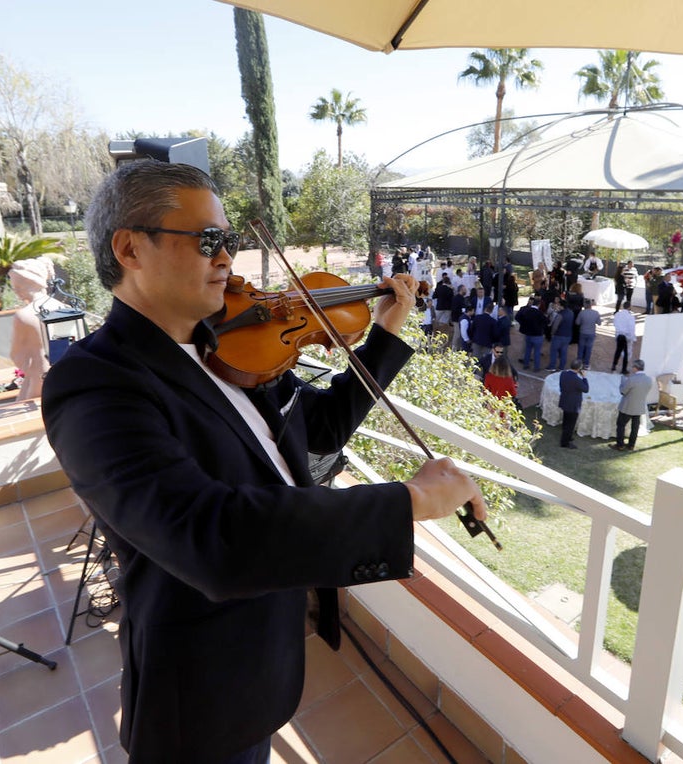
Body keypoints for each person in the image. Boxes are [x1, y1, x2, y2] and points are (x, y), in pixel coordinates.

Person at [40, 160, 485, 764]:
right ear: (130, 249)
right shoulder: (93, 384)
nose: (228, 260)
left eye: (229, 242)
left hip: (264, 661)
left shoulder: (226, 347)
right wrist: (408, 502)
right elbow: (211, 535)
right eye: (208, 241)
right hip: (200, 696)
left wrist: (387, 334)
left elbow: (318, 429)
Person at [8, 257, 64, 401]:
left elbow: (16, 354)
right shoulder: (63, 308)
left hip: (39, 372)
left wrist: (30, 366)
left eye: (16, 287)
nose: (16, 292)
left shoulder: (24, 315)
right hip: (64, 370)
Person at [611, 360, 655, 451]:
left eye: (632, 367)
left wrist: (623, 382)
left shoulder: (631, 379)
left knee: (621, 425)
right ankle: (631, 445)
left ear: (635, 367)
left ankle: (620, 445)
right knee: (635, 427)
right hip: (639, 407)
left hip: (627, 406)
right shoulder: (649, 380)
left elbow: (623, 391)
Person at [558, 360, 589, 448]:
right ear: (579, 369)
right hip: (573, 404)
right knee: (570, 424)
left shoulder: (563, 373)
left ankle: (567, 436)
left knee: (566, 421)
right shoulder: (577, 379)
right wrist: (584, 378)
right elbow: (586, 389)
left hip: (565, 400)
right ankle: (565, 442)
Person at [515, 296, 547, 372]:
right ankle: (536, 367)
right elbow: (546, 322)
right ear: (538, 304)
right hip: (537, 335)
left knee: (527, 350)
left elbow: (518, 317)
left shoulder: (526, 311)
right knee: (537, 352)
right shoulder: (540, 313)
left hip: (528, 334)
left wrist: (523, 325)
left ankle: (526, 365)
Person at [547, 299, 574, 371]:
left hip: (558, 336)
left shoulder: (560, 315)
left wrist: (552, 333)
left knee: (554, 351)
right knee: (564, 352)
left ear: (562, 306)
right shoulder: (571, 312)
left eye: (559, 305)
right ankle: (561, 367)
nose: (557, 306)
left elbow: (555, 326)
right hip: (568, 335)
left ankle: (552, 366)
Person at [575, 298, 601, 366]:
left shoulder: (582, 313)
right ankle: (586, 364)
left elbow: (577, 322)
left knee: (581, 347)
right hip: (591, 333)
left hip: (583, 332)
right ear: (591, 305)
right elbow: (599, 323)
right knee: (589, 348)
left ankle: (579, 363)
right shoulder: (596, 313)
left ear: (584, 305)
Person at [611, 304, 636, 372]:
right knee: (626, 353)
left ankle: (614, 365)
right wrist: (632, 338)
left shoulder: (618, 314)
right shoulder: (630, 316)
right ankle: (624, 369)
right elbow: (632, 328)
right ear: (629, 307)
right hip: (626, 336)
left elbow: (614, 323)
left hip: (619, 335)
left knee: (618, 351)